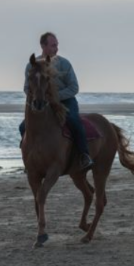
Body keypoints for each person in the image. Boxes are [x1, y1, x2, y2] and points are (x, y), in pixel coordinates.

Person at [19, 32, 93, 169]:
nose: (56, 48)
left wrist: (55, 96)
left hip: (66, 102)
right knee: (23, 126)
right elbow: (26, 87)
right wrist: (37, 97)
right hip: (42, 104)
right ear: (43, 45)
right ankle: (28, 157)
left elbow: (74, 87)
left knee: (74, 122)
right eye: (53, 45)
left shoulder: (64, 64)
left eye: (56, 45)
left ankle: (84, 155)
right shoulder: (31, 66)